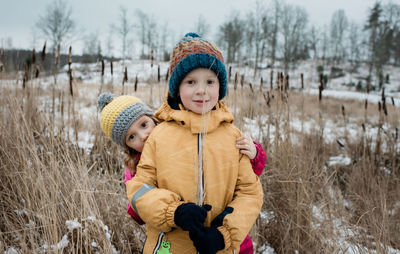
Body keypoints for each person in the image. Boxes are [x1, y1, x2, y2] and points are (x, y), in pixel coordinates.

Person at [126, 32, 264, 253]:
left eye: (210, 81)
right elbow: (139, 190)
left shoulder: (233, 136)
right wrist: (174, 211)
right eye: (191, 82)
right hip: (170, 247)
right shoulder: (159, 136)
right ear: (177, 89)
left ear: (220, 88)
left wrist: (224, 234)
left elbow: (250, 192)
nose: (201, 90)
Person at [97, 93, 267, 253]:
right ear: (127, 147)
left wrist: (254, 154)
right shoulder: (136, 169)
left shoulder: (183, 138)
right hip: (176, 241)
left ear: (152, 118)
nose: (143, 136)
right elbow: (139, 211)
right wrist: (148, 203)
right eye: (131, 137)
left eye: (143, 124)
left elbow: (244, 180)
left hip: (226, 233)